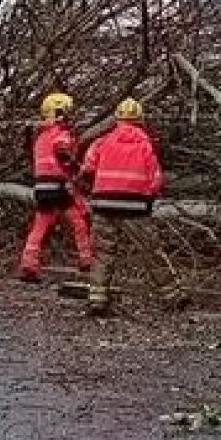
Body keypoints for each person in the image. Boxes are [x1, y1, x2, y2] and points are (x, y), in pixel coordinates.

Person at [79, 98, 164, 316]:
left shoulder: (101, 142)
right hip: (136, 207)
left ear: (117, 119)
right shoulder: (145, 144)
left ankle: (97, 300)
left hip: (103, 204)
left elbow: (87, 168)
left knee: (103, 254)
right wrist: (148, 198)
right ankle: (175, 296)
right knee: (151, 252)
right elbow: (155, 179)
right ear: (140, 120)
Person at [18, 92, 94, 282]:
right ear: (59, 112)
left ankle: (29, 263)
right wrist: (77, 169)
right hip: (58, 186)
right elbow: (63, 153)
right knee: (78, 221)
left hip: (42, 187)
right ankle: (86, 260)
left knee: (40, 225)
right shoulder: (60, 133)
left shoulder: (39, 136)